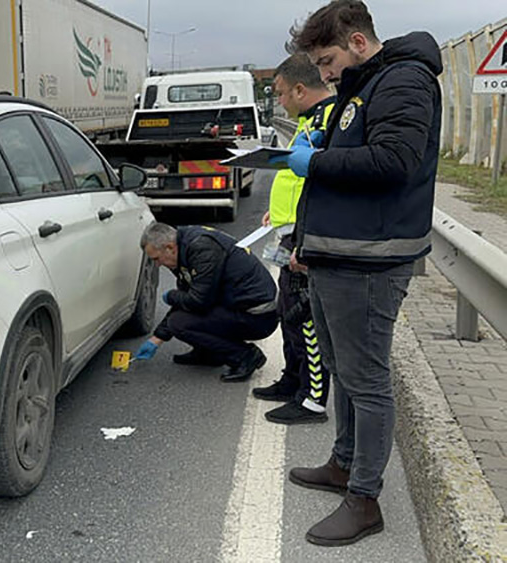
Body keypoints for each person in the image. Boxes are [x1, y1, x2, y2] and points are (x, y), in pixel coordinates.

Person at [272, 0, 442, 546]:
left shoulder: (404, 81)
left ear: (359, 43)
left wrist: (316, 161)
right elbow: (361, 152)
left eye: (327, 60)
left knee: (367, 383)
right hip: (338, 255)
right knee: (345, 373)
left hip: (370, 261)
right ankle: (344, 463)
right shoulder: (364, 85)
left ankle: (364, 499)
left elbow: (393, 162)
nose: (322, 74)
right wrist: (328, 146)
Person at [252, 54, 336, 425]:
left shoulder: (330, 120)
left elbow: (325, 185)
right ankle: (292, 378)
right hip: (289, 231)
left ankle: (313, 398)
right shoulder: (308, 121)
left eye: (283, 94)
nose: (280, 102)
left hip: (305, 239)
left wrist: (305, 239)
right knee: (288, 312)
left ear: (301, 89)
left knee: (305, 318)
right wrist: (280, 214)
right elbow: (296, 179)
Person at [133, 222, 279, 382]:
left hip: (258, 317)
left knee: (179, 323)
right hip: (238, 306)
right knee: (183, 316)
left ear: (169, 247)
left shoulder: (202, 249)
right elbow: (188, 298)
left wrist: (171, 296)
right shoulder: (182, 248)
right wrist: (157, 338)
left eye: (157, 259)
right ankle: (208, 353)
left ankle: (246, 355)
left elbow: (198, 302)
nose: (157, 264)